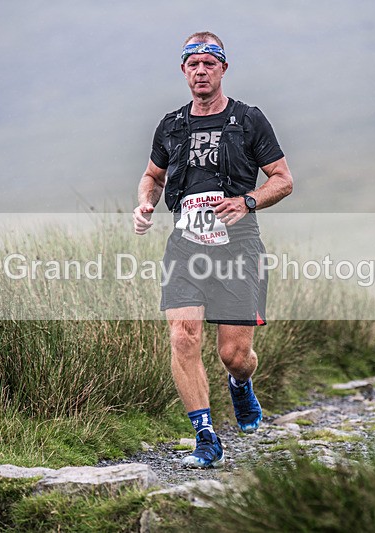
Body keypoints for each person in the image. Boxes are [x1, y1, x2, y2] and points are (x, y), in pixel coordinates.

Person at [132, 31, 293, 468]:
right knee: (183, 336)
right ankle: (205, 435)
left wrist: (247, 201)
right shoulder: (171, 126)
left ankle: (240, 385)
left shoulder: (248, 120)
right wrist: (145, 202)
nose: (201, 71)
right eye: (193, 64)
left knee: (234, 356)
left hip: (238, 248)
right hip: (186, 248)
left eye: (209, 63)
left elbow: (283, 179)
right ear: (183, 71)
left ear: (223, 68)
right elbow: (153, 176)